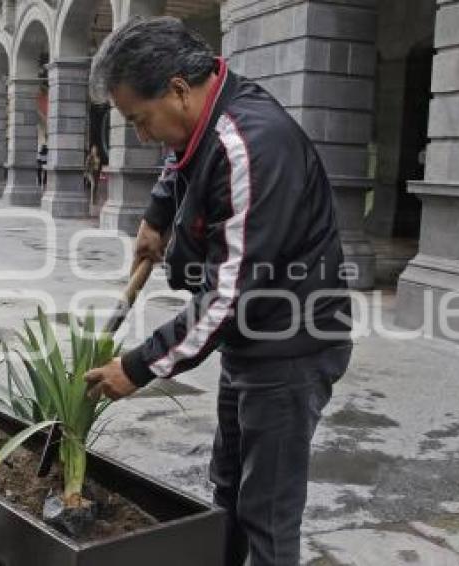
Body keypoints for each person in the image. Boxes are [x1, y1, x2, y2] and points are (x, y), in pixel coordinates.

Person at [83, 17, 352, 566]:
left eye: (140, 119)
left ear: (179, 88)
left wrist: (139, 365)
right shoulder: (203, 115)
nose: (141, 134)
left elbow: (230, 295)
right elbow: (179, 156)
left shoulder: (252, 143)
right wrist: (158, 214)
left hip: (290, 345)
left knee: (267, 515)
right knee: (227, 487)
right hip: (250, 339)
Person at [84, 144, 103, 210]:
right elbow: (87, 165)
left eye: (96, 149)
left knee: (96, 186)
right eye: (94, 149)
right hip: (90, 172)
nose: (95, 150)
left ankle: (95, 200)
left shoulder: (98, 157)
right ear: (92, 150)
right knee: (93, 184)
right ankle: (92, 200)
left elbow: (99, 166)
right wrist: (86, 173)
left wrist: (100, 172)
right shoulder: (90, 157)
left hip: (96, 173)